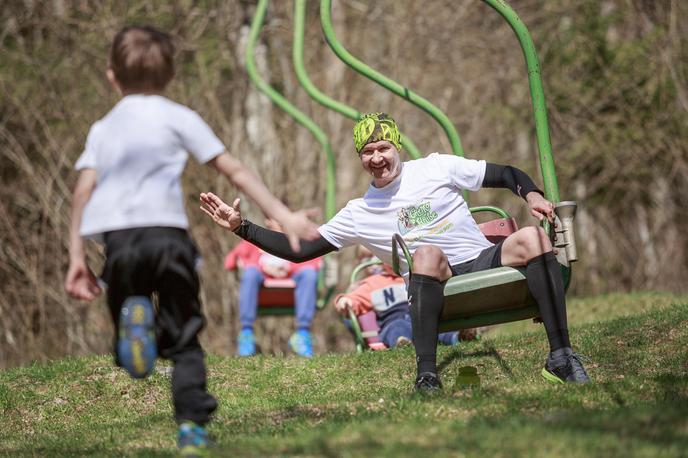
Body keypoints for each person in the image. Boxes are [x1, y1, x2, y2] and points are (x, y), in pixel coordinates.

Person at [199, 112, 591, 392]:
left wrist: (534, 195)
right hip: (437, 278)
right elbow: (302, 251)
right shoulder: (359, 212)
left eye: (383, 147)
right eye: (367, 151)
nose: (377, 157)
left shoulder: (437, 168)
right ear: (361, 158)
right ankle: (427, 375)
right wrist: (241, 227)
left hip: (482, 259)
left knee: (534, 239)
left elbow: (505, 173)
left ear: (396, 146)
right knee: (424, 253)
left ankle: (561, 356)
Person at [64, 25, 319, 455]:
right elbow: (234, 170)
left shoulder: (102, 128)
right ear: (170, 76)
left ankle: (135, 326)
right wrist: (283, 215)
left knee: (129, 314)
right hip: (169, 238)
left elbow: (81, 192)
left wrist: (75, 257)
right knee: (184, 340)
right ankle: (192, 428)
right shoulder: (179, 116)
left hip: (120, 242)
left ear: (112, 76)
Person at [225, 218, 321, 357]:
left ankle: (302, 334)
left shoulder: (295, 240)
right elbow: (229, 262)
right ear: (269, 222)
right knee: (250, 272)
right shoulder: (256, 240)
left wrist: (287, 267)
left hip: (291, 287)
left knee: (309, 273)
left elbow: (314, 261)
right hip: (263, 286)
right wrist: (262, 267)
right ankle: (246, 334)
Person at [334, 247, 458, 348]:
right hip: (393, 320)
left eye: (375, 256)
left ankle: (457, 337)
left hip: (419, 318)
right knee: (397, 327)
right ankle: (402, 342)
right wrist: (345, 300)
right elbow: (356, 298)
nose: (372, 262)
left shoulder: (408, 277)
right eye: (366, 258)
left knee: (434, 326)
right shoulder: (370, 284)